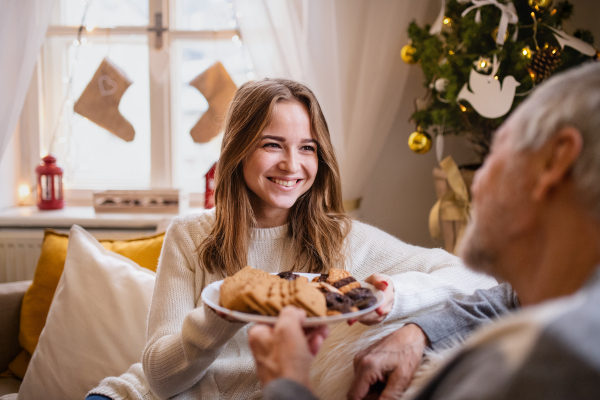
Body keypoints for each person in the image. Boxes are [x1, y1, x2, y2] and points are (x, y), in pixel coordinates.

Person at [86, 78, 495, 400]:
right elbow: (158, 378)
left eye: (307, 148)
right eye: (272, 145)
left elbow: (474, 276)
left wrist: (392, 295)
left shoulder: (342, 239)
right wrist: (221, 313)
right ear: (239, 150)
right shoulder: (190, 236)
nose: (292, 164)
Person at [248, 62, 600, 400]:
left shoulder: (564, 363)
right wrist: (421, 333)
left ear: (555, 162)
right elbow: (506, 299)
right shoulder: (551, 301)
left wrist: (288, 384)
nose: (473, 184)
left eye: (497, 152)